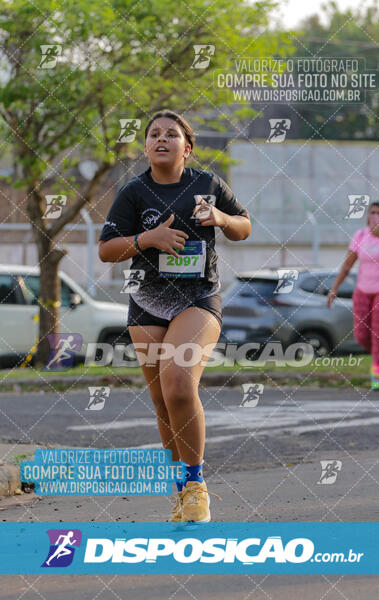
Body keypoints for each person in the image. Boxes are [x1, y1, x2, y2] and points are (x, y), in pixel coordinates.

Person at [98, 110, 251, 522]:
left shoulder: (207, 184)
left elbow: (244, 227)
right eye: (153, 134)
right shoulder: (134, 192)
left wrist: (220, 217)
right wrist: (148, 238)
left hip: (197, 298)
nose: (161, 139)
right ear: (145, 146)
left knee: (180, 385)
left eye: (171, 134)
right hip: (146, 302)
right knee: (162, 401)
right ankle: (180, 490)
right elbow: (107, 248)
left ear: (188, 147)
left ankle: (198, 482)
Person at [327, 201, 379, 390]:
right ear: (367, 215)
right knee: (361, 335)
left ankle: (377, 376)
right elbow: (348, 264)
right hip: (363, 290)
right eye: (372, 212)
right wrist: (334, 288)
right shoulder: (360, 235)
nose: (375, 216)